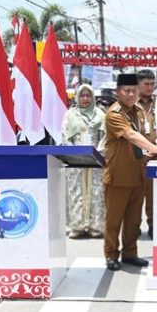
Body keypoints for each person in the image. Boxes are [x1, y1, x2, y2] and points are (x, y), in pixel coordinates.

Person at [103, 74, 157, 271]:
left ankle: (130, 253)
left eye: (134, 90)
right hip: (118, 175)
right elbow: (131, 135)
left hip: (138, 174)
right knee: (114, 220)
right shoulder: (114, 113)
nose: (131, 94)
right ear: (118, 92)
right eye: (127, 90)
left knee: (134, 220)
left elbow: (139, 138)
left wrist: (148, 151)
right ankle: (111, 254)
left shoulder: (137, 112)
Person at [61, 84, 105, 239]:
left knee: (96, 192)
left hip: (96, 160)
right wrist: (73, 152)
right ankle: (77, 226)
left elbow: (106, 137)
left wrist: (98, 151)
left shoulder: (100, 114)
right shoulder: (70, 115)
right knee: (76, 191)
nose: (85, 99)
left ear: (93, 97)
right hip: (76, 161)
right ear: (77, 97)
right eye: (82, 95)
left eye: (88, 96)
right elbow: (65, 136)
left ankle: (95, 226)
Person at [136, 69, 157, 239]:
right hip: (134, 158)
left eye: (152, 84)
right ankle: (133, 227)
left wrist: (155, 148)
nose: (150, 87)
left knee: (153, 196)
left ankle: (153, 225)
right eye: (146, 84)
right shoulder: (129, 105)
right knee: (134, 197)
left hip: (156, 158)